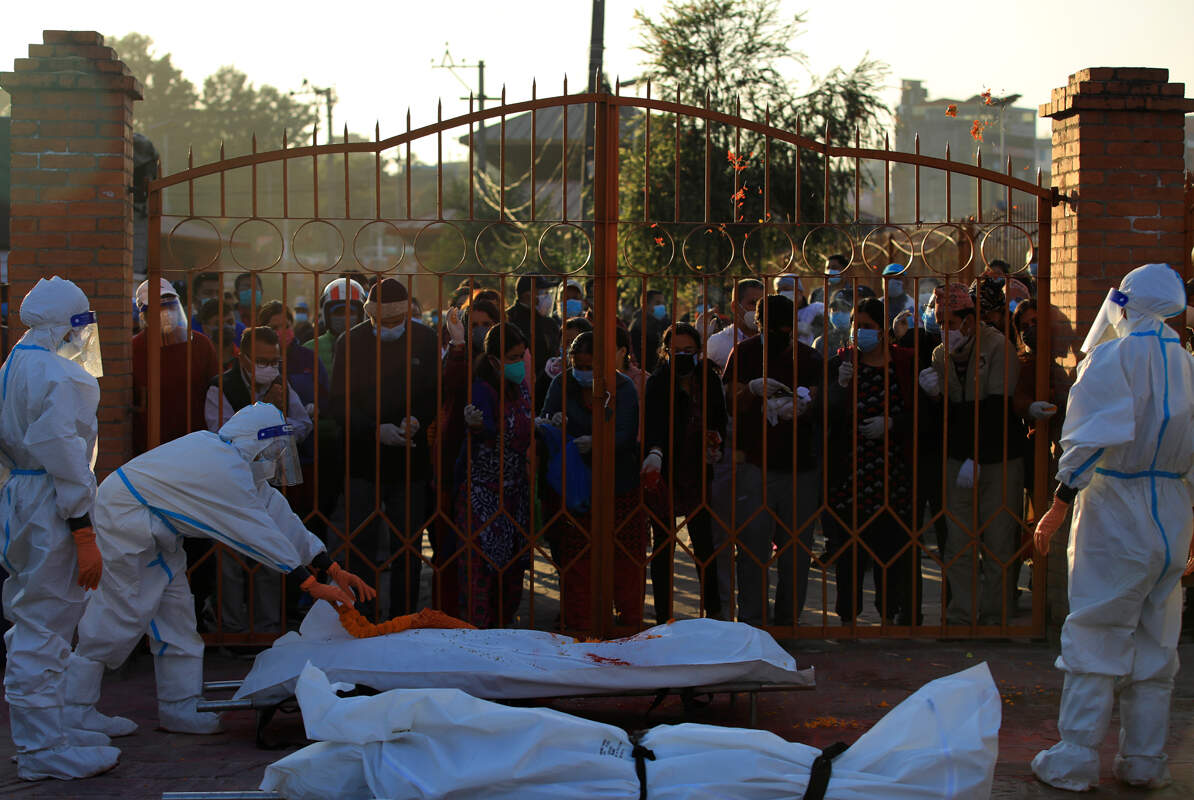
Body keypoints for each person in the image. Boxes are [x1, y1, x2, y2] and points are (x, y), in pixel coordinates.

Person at [66, 403, 374, 738]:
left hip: (156, 533)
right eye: (273, 449)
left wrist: (328, 564)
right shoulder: (222, 470)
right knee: (118, 617)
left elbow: (278, 517)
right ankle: (74, 711)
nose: (277, 457)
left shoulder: (238, 466)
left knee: (178, 618)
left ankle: (179, 707)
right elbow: (256, 532)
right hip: (126, 526)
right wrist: (310, 584)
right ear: (257, 442)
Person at [1030, 263, 1194, 791]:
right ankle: (1144, 760)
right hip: (1173, 509)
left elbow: (1088, 440)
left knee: (1097, 631)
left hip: (1116, 505)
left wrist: (1058, 501)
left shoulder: (1115, 356)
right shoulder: (1189, 364)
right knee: (1156, 641)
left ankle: (1077, 756)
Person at [0, 277, 118, 780]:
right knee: (44, 624)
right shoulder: (61, 375)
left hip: (21, 497)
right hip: (51, 503)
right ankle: (42, 750)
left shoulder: (12, 367)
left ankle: (48, 734)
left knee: (34, 618)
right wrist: (81, 526)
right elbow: (66, 455)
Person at [332, 278, 439, 618]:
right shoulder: (350, 342)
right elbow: (339, 402)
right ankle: (364, 616)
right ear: (371, 315)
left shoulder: (425, 339)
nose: (391, 329)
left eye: (397, 322)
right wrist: (374, 430)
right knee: (360, 545)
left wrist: (417, 420)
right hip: (363, 460)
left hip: (410, 461)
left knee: (406, 544)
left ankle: (404, 619)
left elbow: (433, 393)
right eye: (384, 322)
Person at [918, 283, 1021, 626]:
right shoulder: (939, 354)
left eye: (951, 321)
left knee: (997, 541)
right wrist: (934, 397)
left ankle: (996, 617)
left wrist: (976, 457)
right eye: (940, 322)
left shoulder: (998, 347)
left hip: (997, 457)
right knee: (958, 542)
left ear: (969, 319)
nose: (945, 330)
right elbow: (950, 413)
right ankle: (961, 615)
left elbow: (996, 408)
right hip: (956, 457)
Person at [720, 294, 823, 627]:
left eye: (784, 326)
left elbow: (822, 401)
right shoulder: (745, 353)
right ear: (758, 322)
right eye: (772, 325)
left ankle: (788, 621)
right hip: (755, 463)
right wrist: (751, 390)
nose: (779, 332)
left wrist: (804, 405)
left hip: (801, 465)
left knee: (795, 554)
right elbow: (728, 400)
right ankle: (753, 620)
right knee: (752, 550)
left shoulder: (808, 357)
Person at [205, 326, 312, 633]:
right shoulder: (220, 387)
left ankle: (267, 627)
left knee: (270, 555)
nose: (269, 367)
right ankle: (231, 628)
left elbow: (303, 424)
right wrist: (267, 416)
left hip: (270, 481)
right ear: (244, 357)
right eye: (262, 361)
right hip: (230, 487)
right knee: (231, 560)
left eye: (274, 361)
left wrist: (280, 419)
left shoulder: (282, 385)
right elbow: (222, 436)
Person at [824, 297, 920, 624]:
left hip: (894, 473)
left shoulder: (905, 363)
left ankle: (890, 613)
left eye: (868, 326)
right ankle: (848, 616)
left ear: (883, 329)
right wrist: (840, 388)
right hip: (850, 473)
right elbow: (824, 414)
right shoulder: (842, 365)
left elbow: (924, 413)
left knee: (891, 549)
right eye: (857, 326)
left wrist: (893, 424)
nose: (861, 332)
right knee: (850, 551)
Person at [541, 331, 645, 629]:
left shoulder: (623, 386)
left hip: (618, 483)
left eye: (590, 366)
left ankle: (628, 625)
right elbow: (546, 416)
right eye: (578, 364)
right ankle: (579, 625)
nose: (583, 372)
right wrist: (553, 423)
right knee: (578, 558)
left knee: (625, 558)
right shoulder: (562, 383)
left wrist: (599, 442)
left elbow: (626, 433)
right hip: (577, 487)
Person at [642, 323, 728, 623]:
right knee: (663, 546)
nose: (683, 356)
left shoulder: (709, 379)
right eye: (676, 351)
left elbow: (720, 419)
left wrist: (717, 443)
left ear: (699, 352)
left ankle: (713, 614)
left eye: (689, 351)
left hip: (699, 469)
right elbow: (653, 423)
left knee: (704, 545)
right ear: (665, 352)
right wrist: (654, 452)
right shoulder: (658, 381)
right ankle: (664, 618)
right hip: (666, 470)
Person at [455, 324, 534, 628]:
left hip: (515, 494)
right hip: (483, 496)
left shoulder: (521, 386)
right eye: (511, 358)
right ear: (493, 360)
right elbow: (483, 430)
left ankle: (505, 635)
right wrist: (476, 426)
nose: (517, 363)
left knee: (512, 575)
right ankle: (478, 642)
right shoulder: (482, 390)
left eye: (520, 356)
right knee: (480, 576)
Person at [432, 299, 500, 615]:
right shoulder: (458, 356)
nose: (480, 330)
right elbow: (453, 385)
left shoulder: (504, 359)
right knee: (449, 546)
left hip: (494, 469)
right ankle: (446, 614)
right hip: (454, 458)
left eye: (487, 324)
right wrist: (458, 344)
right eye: (474, 324)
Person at [131, 278, 219, 455]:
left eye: (170, 306)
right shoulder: (133, 350)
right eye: (158, 308)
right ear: (144, 315)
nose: (166, 313)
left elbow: (217, 394)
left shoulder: (200, 345)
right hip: (151, 450)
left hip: (196, 444)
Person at [506, 275, 561, 409]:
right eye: (544, 293)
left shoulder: (549, 323)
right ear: (527, 295)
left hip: (547, 391)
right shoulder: (508, 319)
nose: (548, 298)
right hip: (514, 392)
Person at [307, 277, 366, 375]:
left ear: (361, 314)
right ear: (326, 315)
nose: (345, 317)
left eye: (350, 312)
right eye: (338, 312)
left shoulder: (373, 347)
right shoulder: (310, 349)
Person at [706, 278, 763, 370]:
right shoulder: (716, 343)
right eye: (753, 303)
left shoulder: (775, 341)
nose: (758, 309)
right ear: (735, 307)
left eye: (762, 304)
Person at [775, 273, 823, 347]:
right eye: (778, 291)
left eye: (786, 289)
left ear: (799, 291)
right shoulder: (774, 313)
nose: (781, 293)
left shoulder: (816, 309)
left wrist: (813, 329)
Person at [630, 289, 669, 374]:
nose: (662, 307)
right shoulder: (638, 326)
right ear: (645, 305)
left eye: (663, 303)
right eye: (658, 303)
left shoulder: (664, 323)